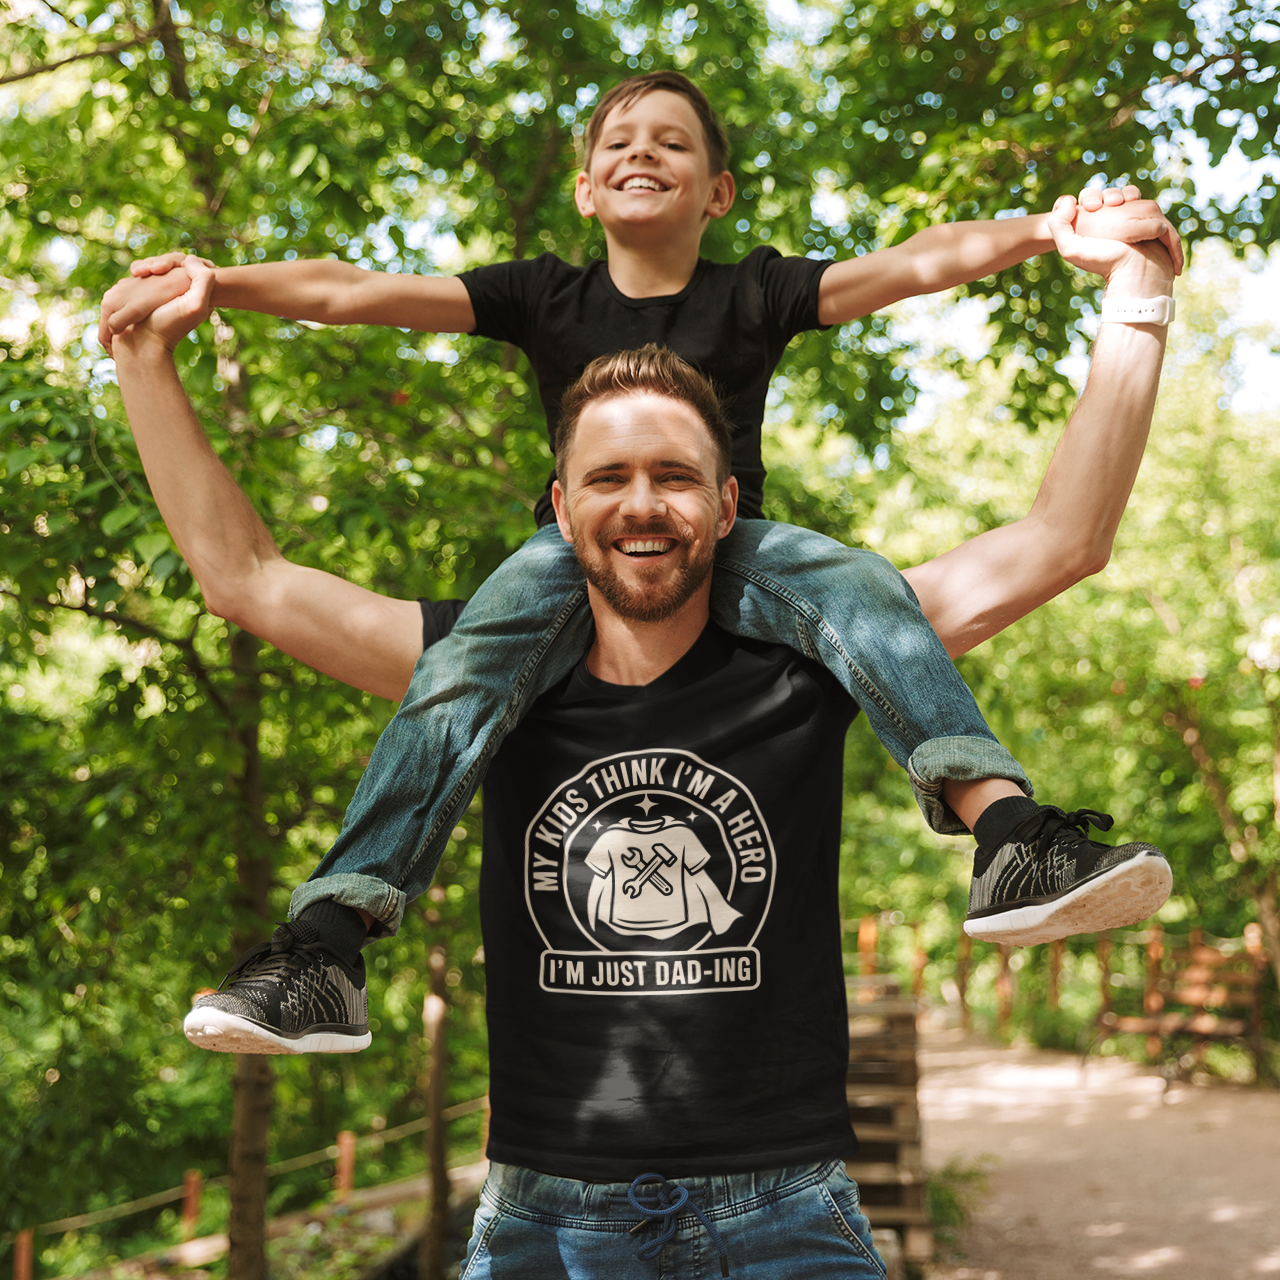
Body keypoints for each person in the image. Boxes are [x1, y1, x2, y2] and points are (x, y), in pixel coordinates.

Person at [111, 214, 1175, 1275]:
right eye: (607, 477)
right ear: (561, 512)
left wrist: (1136, 293)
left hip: (785, 1214)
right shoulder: (471, 673)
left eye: (672, 476)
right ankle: (324, 948)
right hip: (540, 1222)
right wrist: (143, 356)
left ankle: (1013, 840)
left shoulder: (829, 649)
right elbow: (243, 577)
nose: (640, 503)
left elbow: (1060, 539)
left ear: (724, 507)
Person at [100, 71, 1183, 1055]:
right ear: (582, 189)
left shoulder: (753, 294)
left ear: (715, 191)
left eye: (673, 142)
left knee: (855, 580)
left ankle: (1005, 830)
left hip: (746, 559)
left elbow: (906, 269)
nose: (642, 153)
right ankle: (327, 940)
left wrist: (1057, 235)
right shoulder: (539, 297)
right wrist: (212, 286)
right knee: (466, 660)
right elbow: (349, 296)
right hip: (552, 576)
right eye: (619, 140)